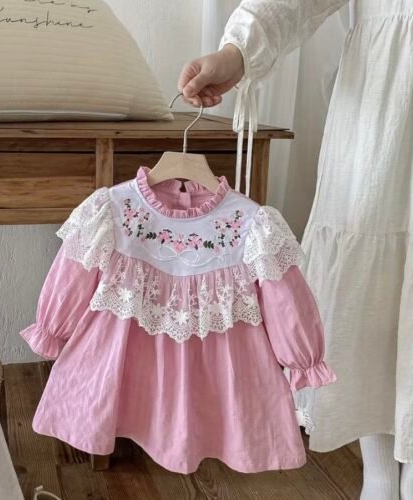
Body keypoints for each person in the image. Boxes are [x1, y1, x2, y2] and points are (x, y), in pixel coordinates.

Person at [178, 1, 412, 499]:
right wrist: (238, 49)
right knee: (367, 292)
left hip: (385, 77)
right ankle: (380, 474)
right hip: (384, 89)